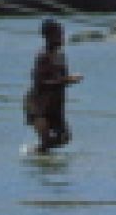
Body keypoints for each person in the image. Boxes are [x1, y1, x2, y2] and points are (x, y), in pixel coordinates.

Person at [23, 18, 80, 155]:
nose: (62, 38)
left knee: (65, 138)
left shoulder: (61, 56)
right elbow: (41, 82)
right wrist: (67, 80)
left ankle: (37, 154)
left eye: (62, 34)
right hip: (38, 105)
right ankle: (37, 158)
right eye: (59, 34)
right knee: (46, 140)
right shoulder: (43, 57)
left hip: (55, 105)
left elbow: (61, 81)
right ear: (48, 37)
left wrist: (67, 80)